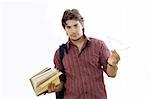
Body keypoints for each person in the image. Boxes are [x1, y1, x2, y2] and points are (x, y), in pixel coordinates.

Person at [46, 9, 120, 99]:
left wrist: (112, 64)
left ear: (82, 24)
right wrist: (55, 88)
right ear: (65, 29)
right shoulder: (60, 53)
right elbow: (61, 83)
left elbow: (112, 74)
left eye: (76, 25)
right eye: (68, 27)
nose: (73, 31)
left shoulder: (98, 45)